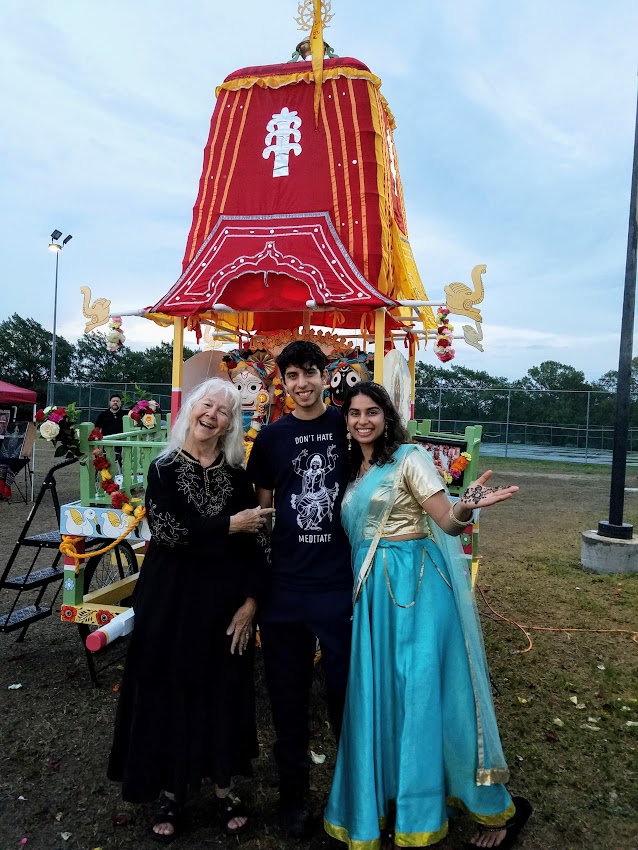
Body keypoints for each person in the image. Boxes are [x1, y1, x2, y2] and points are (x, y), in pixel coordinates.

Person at [324, 382, 532, 850]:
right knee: (382, 696)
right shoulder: (354, 469)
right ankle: (392, 797)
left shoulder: (409, 457)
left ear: (387, 416)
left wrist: (468, 506)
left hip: (416, 591)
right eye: (354, 413)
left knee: (424, 695)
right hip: (373, 595)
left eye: (371, 412)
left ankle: (489, 810)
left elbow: (446, 519)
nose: (362, 420)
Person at [107, 377, 272, 843]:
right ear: (191, 410)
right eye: (207, 404)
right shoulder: (162, 468)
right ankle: (171, 790)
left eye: (224, 410)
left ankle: (222, 785)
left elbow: (256, 543)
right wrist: (229, 525)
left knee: (221, 689)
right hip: (171, 602)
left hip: (223, 604)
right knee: (169, 686)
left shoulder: (239, 478)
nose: (212, 414)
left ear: (229, 424)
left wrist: (251, 603)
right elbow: (168, 531)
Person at [247, 340, 352, 839]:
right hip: (285, 590)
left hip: (339, 587)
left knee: (345, 697)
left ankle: (353, 795)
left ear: (326, 376)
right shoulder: (270, 437)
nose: (302, 383)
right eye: (292, 376)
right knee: (287, 700)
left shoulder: (348, 426)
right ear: (282, 382)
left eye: (311, 373)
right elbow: (264, 511)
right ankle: (293, 800)